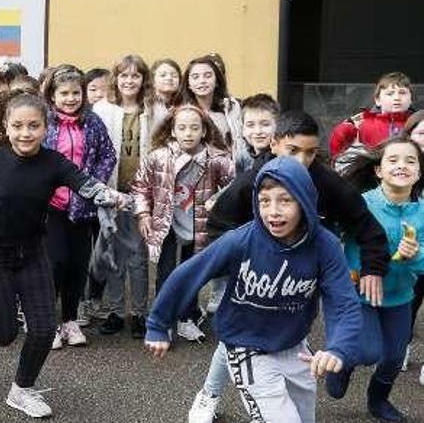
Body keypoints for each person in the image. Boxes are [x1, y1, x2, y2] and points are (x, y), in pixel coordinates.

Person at [191, 110, 391, 421]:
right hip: (250, 276)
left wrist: (374, 266)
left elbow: (365, 223)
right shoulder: (251, 182)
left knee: (288, 339)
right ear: (274, 145)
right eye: (292, 150)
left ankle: (285, 388)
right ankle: (209, 395)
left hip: (298, 275)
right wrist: (236, 263)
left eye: (310, 152)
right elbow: (218, 223)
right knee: (237, 338)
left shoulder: (328, 183)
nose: (301, 160)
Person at [0, 89, 126, 419]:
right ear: (6, 125)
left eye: (33, 126)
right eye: (18, 126)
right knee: (4, 336)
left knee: (44, 329)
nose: (25, 133)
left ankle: (21, 390)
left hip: (32, 253)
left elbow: (84, 183)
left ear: (46, 128)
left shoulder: (54, 162)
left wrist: (112, 195)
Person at [145, 157, 363, 423]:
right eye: (264, 201)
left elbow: (343, 302)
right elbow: (188, 274)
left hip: (294, 345)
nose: (273, 211)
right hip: (246, 346)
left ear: (305, 201)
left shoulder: (324, 245)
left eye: (285, 200)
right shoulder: (240, 240)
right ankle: (208, 396)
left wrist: (338, 348)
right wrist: (158, 323)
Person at [323, 138, 424, 420]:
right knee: (367, 351)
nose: (402, 165)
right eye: (393, 160)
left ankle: (377, 401)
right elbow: (330, 234)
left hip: (400, 296)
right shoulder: (360, 204)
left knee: (393, 357)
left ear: (419, 172)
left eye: (410, 161)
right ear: (379, 170)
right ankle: (343, 363)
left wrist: (415, 255)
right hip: (358, 294)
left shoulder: (423, 213)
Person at [131, 105, 235, 343]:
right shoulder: (158, 157)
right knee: (166, 274)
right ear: (172, 131)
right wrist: (143, 214)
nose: (188, 133)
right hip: (166, 224)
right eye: (182, 128)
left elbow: (234, 186)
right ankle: (163, 320)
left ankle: (186, 318)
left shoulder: (216, 159)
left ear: (204, 131)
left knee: (193, 273)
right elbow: (140, 186)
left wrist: (216, 201)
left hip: (199, 226)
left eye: (194, 128)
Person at [39, 65, 117, 347]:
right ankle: (48, 323)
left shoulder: (92, 122)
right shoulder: (45, 122)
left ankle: (70, 321)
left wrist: (92, 184)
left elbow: (108, 154)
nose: (70, 99)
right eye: (64, 93)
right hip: (52, 205)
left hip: (83, 207)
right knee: (55, 262)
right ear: (52, 95)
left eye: (76, 93)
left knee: (77, 265)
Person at [91, 55, 165, 337]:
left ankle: (139, 313)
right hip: (111, 191)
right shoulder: (103, 108)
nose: (129, 81)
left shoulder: (155, 109)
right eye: (124, 76)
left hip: (142, 194)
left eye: (135, 76)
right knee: (112, 252)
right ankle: (115, 311)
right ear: (116, 79)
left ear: (143, 79)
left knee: (137, 254)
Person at [329, 71, 414, 167]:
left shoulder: (418, 123)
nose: (397, 97)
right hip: (370, 176)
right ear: (377, 100)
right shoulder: (361, 122)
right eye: (390, 94)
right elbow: (337, 153)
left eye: (402, 93)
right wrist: (344, 129)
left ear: (411, 99)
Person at [399, 110, 424, 385]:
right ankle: (401, 346)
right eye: (421, 133)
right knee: (411, 300)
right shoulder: (401, 163)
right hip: (410, 247)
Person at [176, 54, 242, 151]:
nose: (202, 81)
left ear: (217, 81)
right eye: (195, 77)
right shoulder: (180, 113)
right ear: (188, 84)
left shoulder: (231, 108)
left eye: (207, 76)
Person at [237, 94, 280, 174]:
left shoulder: (281, 159)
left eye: (265, 124)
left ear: (278, 126)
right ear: (243, 130)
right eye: (250, 125)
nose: (258, 131)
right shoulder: (242, 158)